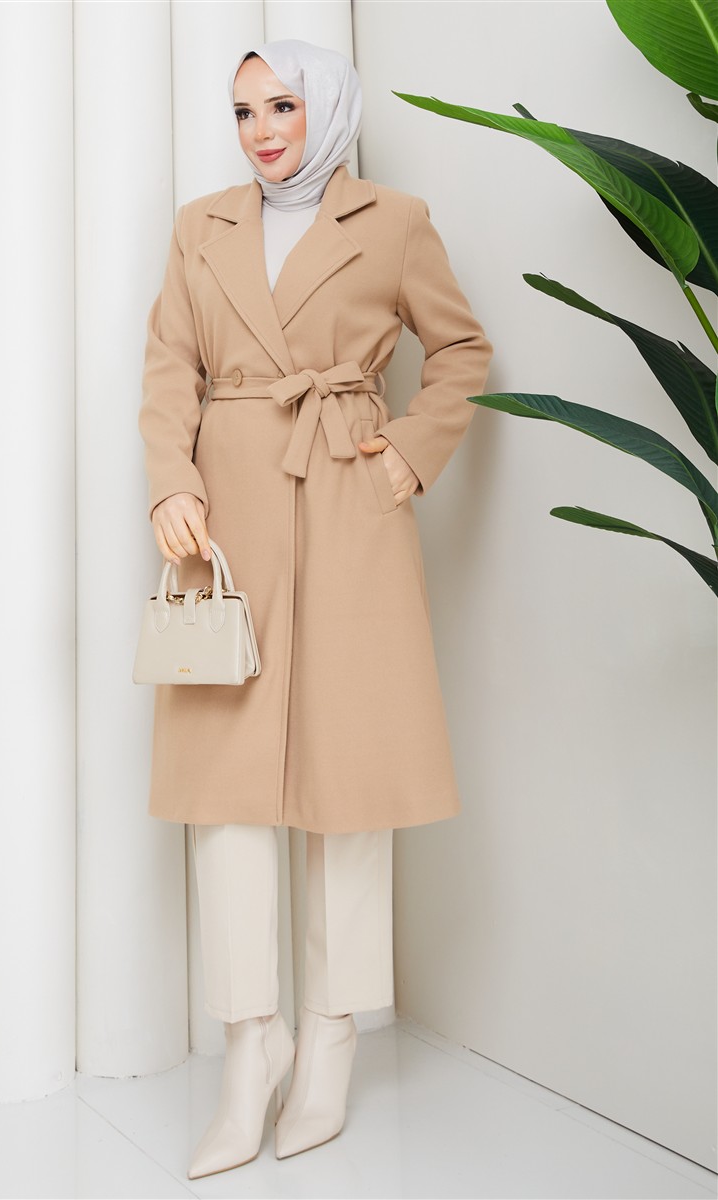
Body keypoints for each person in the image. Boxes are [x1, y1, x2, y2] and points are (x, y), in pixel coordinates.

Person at [138, 39, 492, 1180]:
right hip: (229, 516)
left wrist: (408, 457)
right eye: (244, 111)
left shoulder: (395, 221)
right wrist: (174, 484)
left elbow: (462, 350)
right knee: (226, 793)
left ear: (326, 109)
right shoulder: (200, 226)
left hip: (347, 503)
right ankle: (254, 1044)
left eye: (282, 105)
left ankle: (332, 1036)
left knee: (351, 785)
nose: (262, 130)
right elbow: (169, 367)